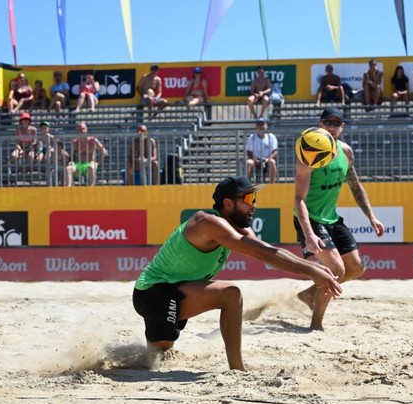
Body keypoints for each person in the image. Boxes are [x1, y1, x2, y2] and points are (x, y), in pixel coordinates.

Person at [132, 175, 342, 370]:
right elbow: (263, 254)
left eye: (255, 198)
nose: (254, 204)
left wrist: (314, 268)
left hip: (173, 291)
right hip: (154, 293)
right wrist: (313, 271)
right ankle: (238, 369)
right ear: (228, 203)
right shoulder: (207, 222)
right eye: (249, 198)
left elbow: (267, 250)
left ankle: (110, 358)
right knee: (230, 294)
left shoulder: (236, 226)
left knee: (157, 354)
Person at [294, 108, 385, 331]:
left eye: (337, 123)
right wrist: (309, 234)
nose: (332, 127)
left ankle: (310, 294)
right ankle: (316, 324)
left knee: (356, 267)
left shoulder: (346, 152)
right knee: (337, 270)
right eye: (328, 122)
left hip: (331, 219)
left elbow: (356, 186)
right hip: (311, 219)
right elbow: (298, 200)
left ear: (342, 127)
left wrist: (371, 216)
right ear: (320, 125)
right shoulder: (309, 155)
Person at [66, 122, 108, 186]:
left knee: (91, 167)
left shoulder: (93, 140)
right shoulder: (75, 142)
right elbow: (71, 155)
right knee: (68, 169)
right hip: (79, 164)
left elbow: (104, 153)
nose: (82, 131)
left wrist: (98, 163)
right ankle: (69, 189)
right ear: (77, 131)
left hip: (90, 163)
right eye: (80, 129)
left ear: (86, 129)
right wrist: (71, 161)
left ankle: (91, 189)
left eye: (83, 129)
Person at [245, 118, 278, 183]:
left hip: (267, 160)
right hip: (255, 160)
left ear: (266, 126)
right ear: (256, 126)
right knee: (248, 162)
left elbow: (275, 151)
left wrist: (268, 159)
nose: (261, 127)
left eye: (262, 124)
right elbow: (249, 152)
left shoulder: (271, 137)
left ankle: (272, 185)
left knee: (272, 162)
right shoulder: (252, 137)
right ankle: (247, 185)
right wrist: (254, 159)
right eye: (259, 124)